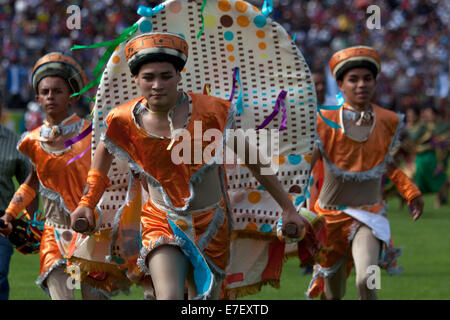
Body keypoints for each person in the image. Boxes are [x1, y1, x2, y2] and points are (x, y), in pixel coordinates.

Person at [70, 32, 307, 300]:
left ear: (179, 76)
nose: (157, 85)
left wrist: (287, 207)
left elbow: (254, 161)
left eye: (166, 76)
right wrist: (86, 204)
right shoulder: (122, 120)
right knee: (169, 296)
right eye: (148, 77)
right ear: (135, 79)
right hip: (161, 220)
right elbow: (99, 167)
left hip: (212, 222)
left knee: (204, 299)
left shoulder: (213, 111)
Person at [0, 52, 129, 299]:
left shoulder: (93, 135)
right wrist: (9, 215)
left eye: (58, 91)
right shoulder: (32, 141)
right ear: (37, 98)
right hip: (54, 231)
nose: (51, 96)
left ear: (72, 97)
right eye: (45, 92)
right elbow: (32, 183)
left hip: (93, 230)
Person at [306, 46, 424, 300]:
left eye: (367, 79)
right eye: (353, 79)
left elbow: (386, 163)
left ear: (375, 82)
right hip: (329, 218)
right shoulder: (323, 120)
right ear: (340, 84)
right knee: (331, 296)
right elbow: (303, 167)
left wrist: (411, 192)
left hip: (368, 216)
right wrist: (290, 206)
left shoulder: (388, 120)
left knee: (366, 281)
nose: (361, 84)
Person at [0, 93, 38, 300]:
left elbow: (30, 184)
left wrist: (33, 223)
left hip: (2, 222)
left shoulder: (15, 143)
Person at [409, 105, 450, 208]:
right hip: (421, 156)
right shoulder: (422, 127)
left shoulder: (443, 127)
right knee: (418, 177)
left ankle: (440, 198)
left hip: (438, 156)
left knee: (438, 177)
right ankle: (415, 199)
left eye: (429, 113)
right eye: (426, 113)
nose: (427, 116)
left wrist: (440, 142)